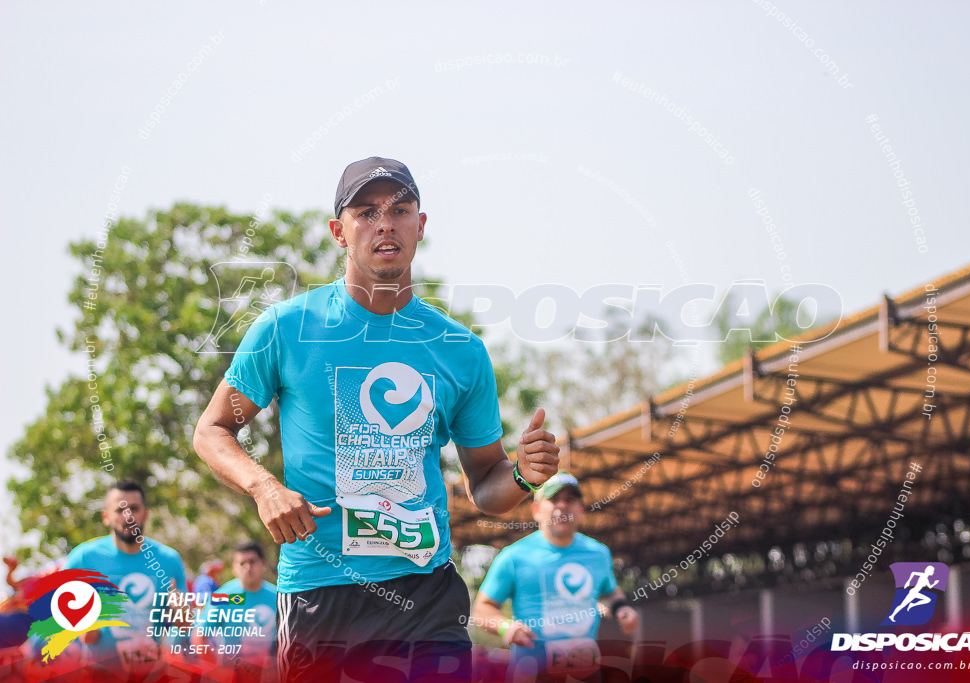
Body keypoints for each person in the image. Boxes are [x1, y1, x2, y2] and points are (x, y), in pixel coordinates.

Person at [193, 156, 561, 682]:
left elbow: (486, 482)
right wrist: (263, 486)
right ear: (338, 232)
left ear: (421, 226)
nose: (385, 223)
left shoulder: (461, 350)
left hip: (427, 593)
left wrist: (524, 474)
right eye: (366, 212)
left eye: (400, 209)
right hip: (321, 593)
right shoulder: (285, 328)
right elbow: (211, 430)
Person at [473, 472, 639, 681]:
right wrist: (507, 627)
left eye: (570, 500)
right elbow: (482, 608)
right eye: (553, 499)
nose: (562, 506)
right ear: (536, 510)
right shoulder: (514, 557)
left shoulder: (599, 553)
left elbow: (610, 593)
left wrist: (622, 608)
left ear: (581, 510)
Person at [63, 478, 187, 680]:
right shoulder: (84, 558)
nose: (128, 516)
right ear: (106, 516)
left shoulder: (168, 560)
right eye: (120, 510)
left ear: (145, 513)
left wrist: (181, 611)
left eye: (134, 508)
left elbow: (184, 625)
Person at [195, 542, 277, 682]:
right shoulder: (224, 596)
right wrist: (216, 670)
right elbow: (199, 637)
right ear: (234, 568)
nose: (247, 567)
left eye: (252, 562)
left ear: (263, 564)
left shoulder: (277, 597)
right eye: (242, 563)